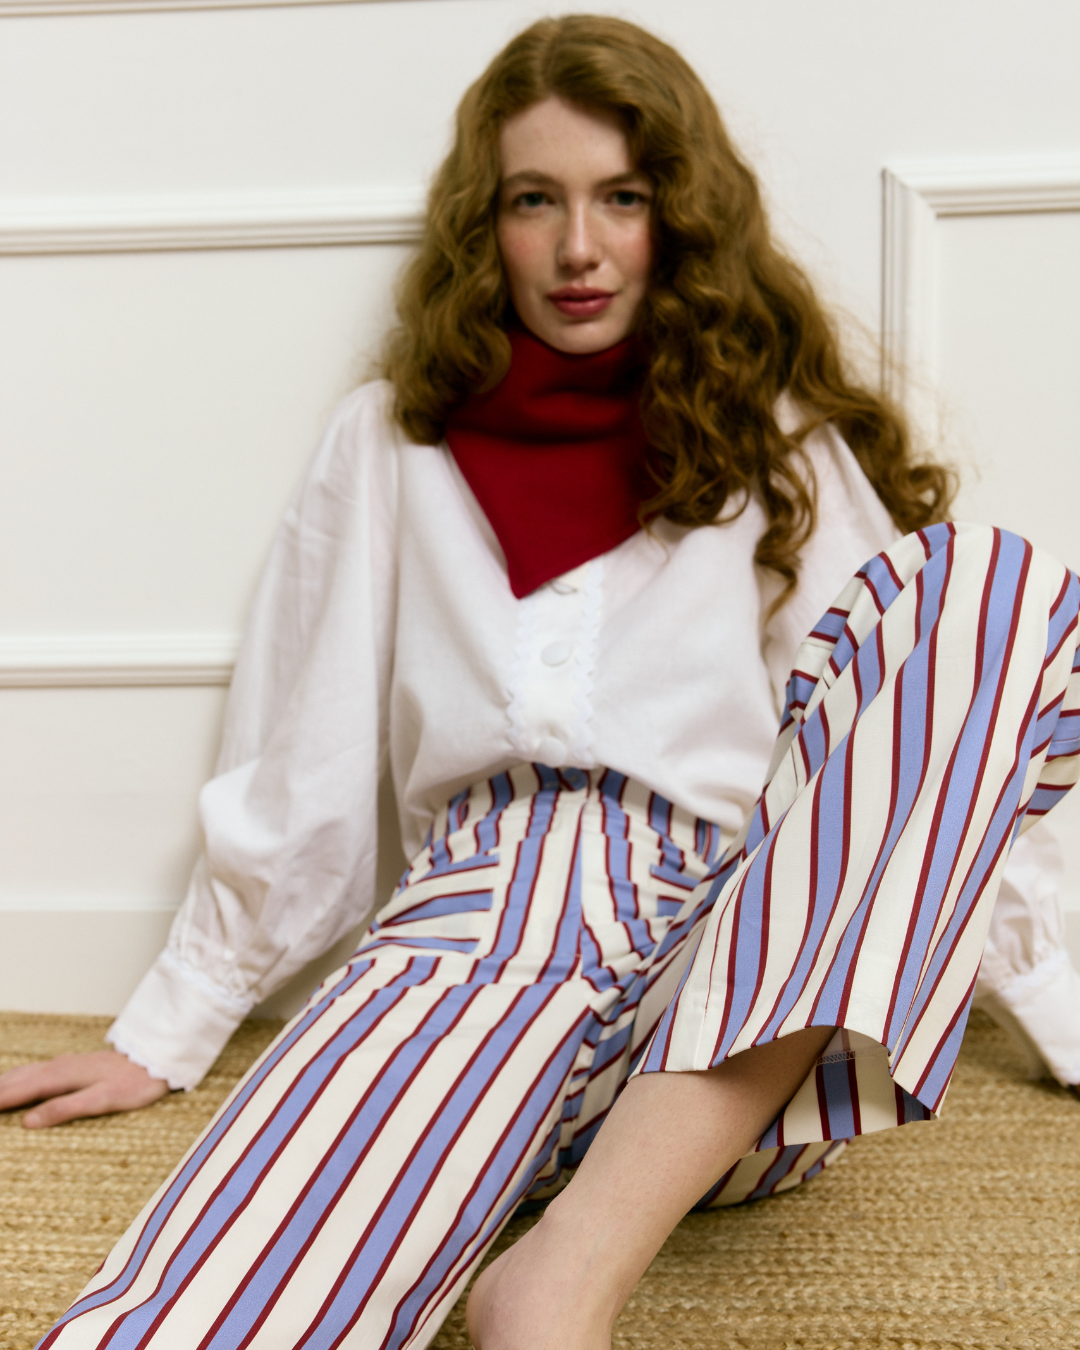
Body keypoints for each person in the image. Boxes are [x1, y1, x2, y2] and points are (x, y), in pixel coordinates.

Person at [4, 14, 1080, 1350]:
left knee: (990, 586)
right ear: (487, 225)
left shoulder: (776, 437)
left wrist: (1059, 1001)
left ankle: (566, 1272)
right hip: (474, 932)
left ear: (678, 216)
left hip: (732, 991)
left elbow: (915, 746)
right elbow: (306, 746)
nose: (580, 246)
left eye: (622, 197)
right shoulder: (390, 440)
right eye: (535, 201)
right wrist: (169, 1027)